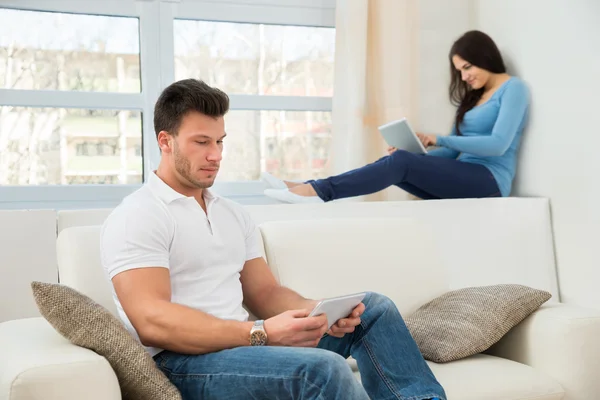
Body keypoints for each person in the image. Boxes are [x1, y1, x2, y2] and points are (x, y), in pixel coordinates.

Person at [99, 78, 446, 400]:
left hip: (244, 346)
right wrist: (260, 333)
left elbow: (266, 294)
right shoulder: (139, 216)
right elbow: (152, 322)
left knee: (374, 309)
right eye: (201, 142)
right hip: (181, 363)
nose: (216, 155)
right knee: (323, 370)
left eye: (219, 142)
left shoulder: (230, 214)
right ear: (165, 141)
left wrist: (319, 312)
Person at [263, 30, 531, 204]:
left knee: (401, 161)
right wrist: (416, 154)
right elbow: (449, 157)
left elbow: (498, 145)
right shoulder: (473, 98)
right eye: (459, 71)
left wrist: (439, 139)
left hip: (489, 181)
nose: (464, 77)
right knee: (398, 160)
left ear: (485, 57)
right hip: (466, 175)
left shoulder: (513, 88)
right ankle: (311, 186)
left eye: (467, 67)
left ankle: (317, 191)